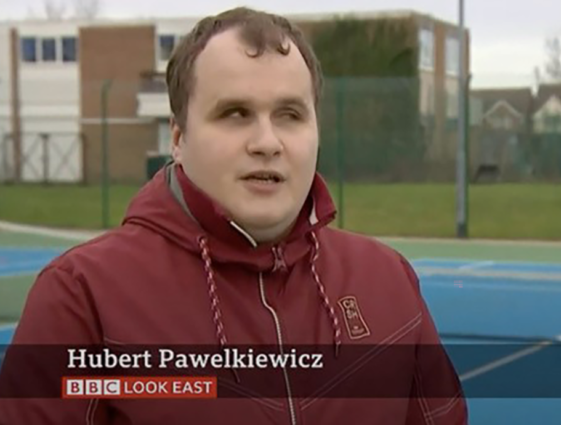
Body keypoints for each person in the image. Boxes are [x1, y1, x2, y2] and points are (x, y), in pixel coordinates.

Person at [0, 7, 468, 425]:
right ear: (178, 138)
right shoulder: (83, 298)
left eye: (290, 114)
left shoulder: (387, 280)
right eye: (236, 113)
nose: (267, 142)